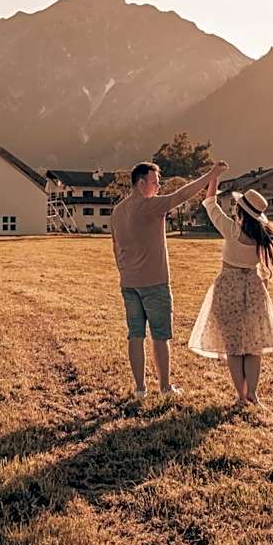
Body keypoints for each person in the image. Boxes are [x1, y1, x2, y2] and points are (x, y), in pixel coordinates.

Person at [188, 165, 273, 406]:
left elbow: (210, 202)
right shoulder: (262, 237)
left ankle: (241, 396)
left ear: (239, 210)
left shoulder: (231, 231)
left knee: (234, 347)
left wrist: (214, 175)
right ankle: (253, 393)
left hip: (228, 288)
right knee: (252, 347)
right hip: (254, 288)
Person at [111, 159, 228, 400]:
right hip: (154, 283)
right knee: (160, 335)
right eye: (154, 182)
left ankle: (140, 389)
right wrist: (211, 175)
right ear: (141, 183)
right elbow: (181, 195)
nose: (158, 187)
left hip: (129, 283)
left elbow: (115, 246)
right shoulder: (147, 205)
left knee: (135, 334)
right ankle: (164, 388)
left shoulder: (118, 210)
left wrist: (124, 271)